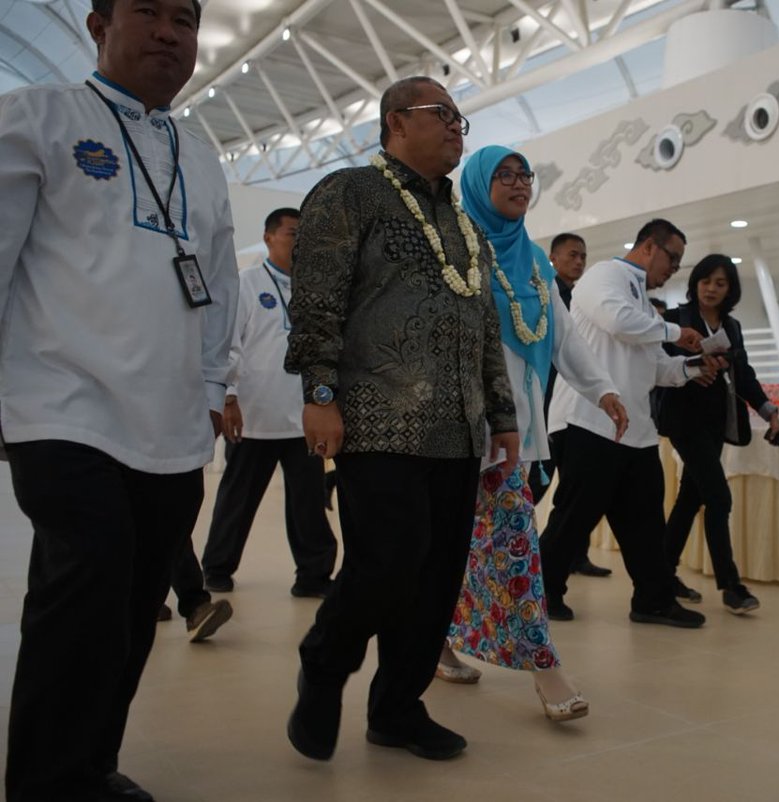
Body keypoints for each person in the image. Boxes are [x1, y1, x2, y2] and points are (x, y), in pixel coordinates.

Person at [0, 1, 239, 799]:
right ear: (100, 23)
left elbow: (219, 289)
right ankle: (45, 780)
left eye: (186, 18)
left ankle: (89, 763)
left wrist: (210, 388)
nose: (170, 32)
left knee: (137, 604)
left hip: (170, 424)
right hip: (63, 407)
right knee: (87, 587)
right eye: (149, 11)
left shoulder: (200, 158)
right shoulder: (40, 117)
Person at [283, 76, 520, 763]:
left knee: (438, 576)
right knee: (389, 561)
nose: (455, 128)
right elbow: (319, 296)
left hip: (459, 429)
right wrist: (319, 392)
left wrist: (501, 414)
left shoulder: (466, 226)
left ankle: (396, 708)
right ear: (395, 121)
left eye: (459, 119)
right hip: (377, 416)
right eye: (441, 114)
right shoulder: (348, 193)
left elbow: (483, 324)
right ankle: (325, 662)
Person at [437, 145, 628, 721]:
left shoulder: (535, 263)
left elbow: (564, 337)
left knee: (509, 546)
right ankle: (467, 651)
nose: (519, 184)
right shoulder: (456, 253)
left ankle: (523, 664)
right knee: (455, 549)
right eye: (504, 175)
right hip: (456, 434)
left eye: (525, 175)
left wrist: (602, 389)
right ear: (476, 184)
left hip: (515, 439)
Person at [540, 219, 721, 628]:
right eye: (671, 258)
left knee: (644, 521)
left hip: (634, 430)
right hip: (589, 419)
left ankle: (653, 600)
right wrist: (676, 331)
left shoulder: (642, 300)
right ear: (648, 247)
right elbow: (618, 322)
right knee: (574, 517)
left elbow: (655, 366)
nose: (673, 269)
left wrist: (693, 368)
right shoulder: (605, 275)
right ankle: (541, 593)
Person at [199, 207, 339, 599]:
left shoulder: (316, 289)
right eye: (293, 234)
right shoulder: (246, 284)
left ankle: (314, 575)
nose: (300, 243)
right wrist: (228, 397)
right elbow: (229, 344)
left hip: (302, 418)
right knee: (238, 499)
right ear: (268, 238)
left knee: (309, 504)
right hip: (254, 415)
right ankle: (217, 568)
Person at [656, 254, 779, 614]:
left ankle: (662, 573)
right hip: (683, 420)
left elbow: (744, 376)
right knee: (719, 497)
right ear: (695, 282)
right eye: (706, 281)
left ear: (730, 289)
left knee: (690, 498)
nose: (711, 289)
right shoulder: (675, 321)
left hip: (717, 422)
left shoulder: (733, 327)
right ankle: (731, 585)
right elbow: (660, 366)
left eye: (721, 283)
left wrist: (769, 413)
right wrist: (696, 366)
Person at [528, 232, 613, 579]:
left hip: (576, 405)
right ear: (552, 258)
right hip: (548, 405)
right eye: (572, 255)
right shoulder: (546, 294)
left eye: (583, 256)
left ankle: (575, 555)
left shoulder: (582, 298)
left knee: (576, 488)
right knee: (539, 485)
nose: (579, 262)